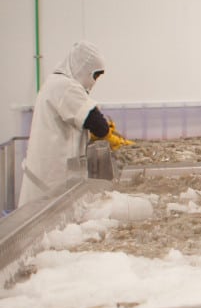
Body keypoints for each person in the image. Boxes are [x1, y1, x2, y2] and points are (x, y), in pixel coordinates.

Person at [18, 41, 132, 207]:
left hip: (50, 181)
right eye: (95, 75)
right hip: (48, 183)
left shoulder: (56, 83)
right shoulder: (65, 87)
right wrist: (110, 137)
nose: (94, 81)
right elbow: (98, 125)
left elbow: (84, 120)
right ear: (83, 69)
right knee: (41, 220)